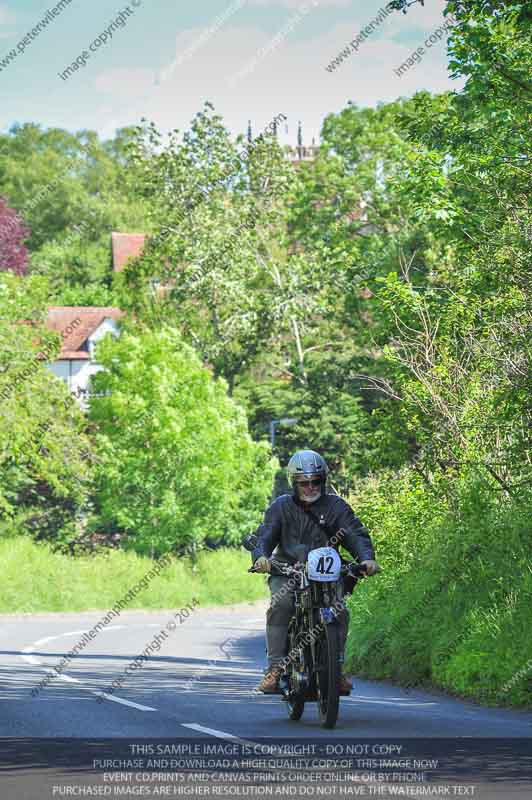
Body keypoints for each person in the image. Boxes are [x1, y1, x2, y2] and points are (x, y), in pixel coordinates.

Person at [252, 449, 379, 694]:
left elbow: (355, 533)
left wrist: (367, 559)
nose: (310, 487)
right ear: (294, 483)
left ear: (324, 480)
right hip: (287, 570)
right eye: (304, 483)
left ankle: (337, 670)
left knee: (340, 611)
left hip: (329, 573)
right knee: (281, 605)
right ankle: (275, 670)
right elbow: (265, 535)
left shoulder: (337, 506)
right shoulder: (281, 507)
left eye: (315, 481)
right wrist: (261, 557)